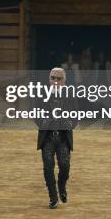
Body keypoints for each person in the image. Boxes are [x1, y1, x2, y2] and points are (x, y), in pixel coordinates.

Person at [35, 68, 77, 209]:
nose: (55, 81)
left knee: (65, 167)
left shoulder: (70, 95)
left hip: (63, 137)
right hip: (47, 137)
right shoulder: (42, 94)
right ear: (49, 79)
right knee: (48, 168)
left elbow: (76, 116)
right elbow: (35, 114)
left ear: (64, 81)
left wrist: (69, 123)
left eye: (58, 79)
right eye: (53, 78)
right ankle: (53, 197)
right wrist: (44, 122)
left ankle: (62, 187)